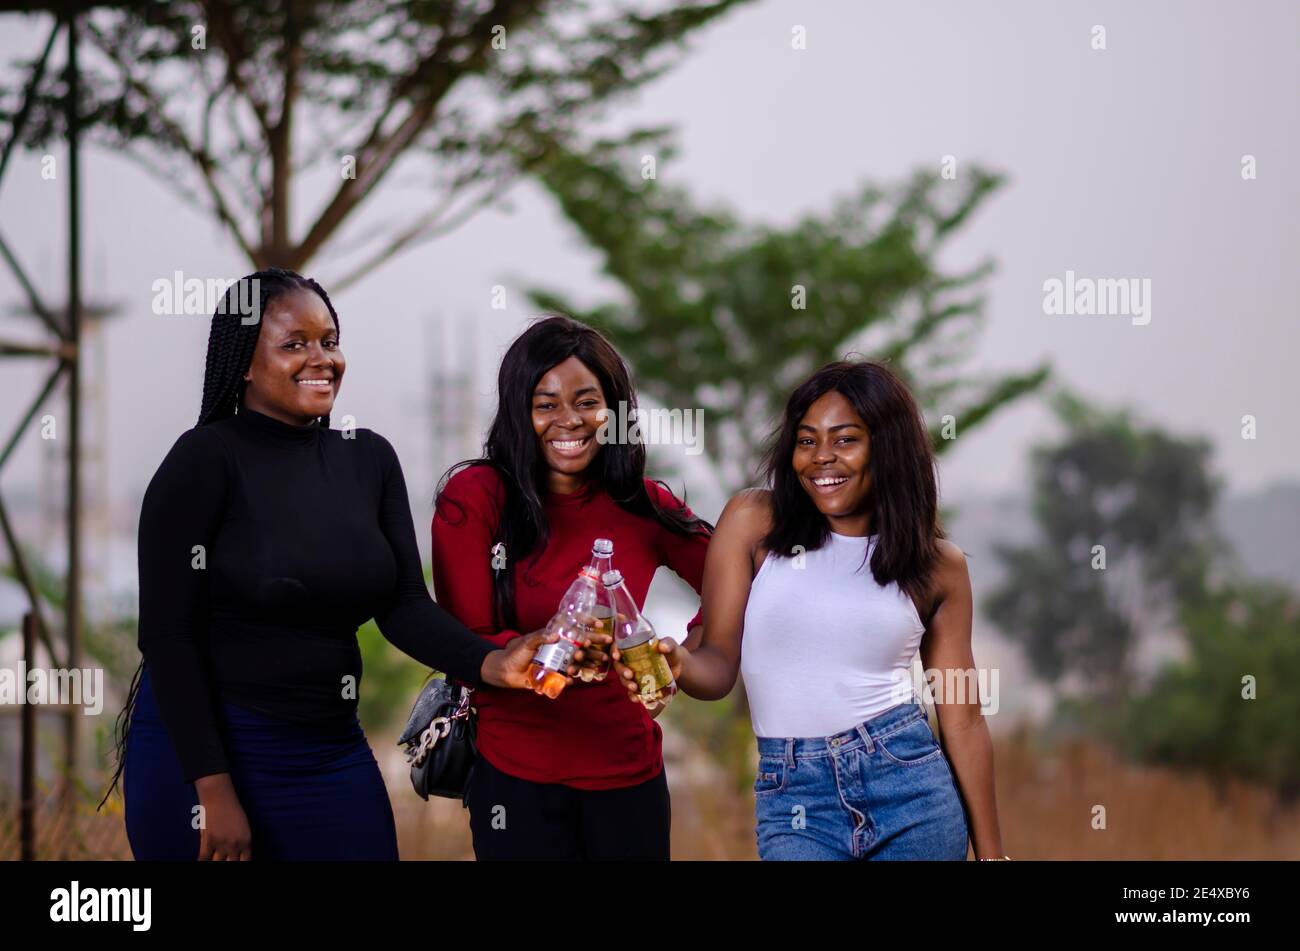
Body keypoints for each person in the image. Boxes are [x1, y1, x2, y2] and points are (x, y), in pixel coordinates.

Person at [107, 268, 555, 861]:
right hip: (205, 757)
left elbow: (402, 606)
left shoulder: (367, 459)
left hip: (328, 749)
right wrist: (212, 792)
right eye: (294, 344)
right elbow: (168, 638)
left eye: (329, 340)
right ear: (243, 361)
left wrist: (495, 664)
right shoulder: (203, 462)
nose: (321, 359)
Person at [617, 359, 1006, 860]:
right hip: (795, 795)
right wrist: (680, 663)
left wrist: (994, 855)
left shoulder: (937, 565)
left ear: (886, 448)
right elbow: (715, 666)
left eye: (845, 440)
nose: (822, 457)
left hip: (909, 785)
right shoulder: (754, 523)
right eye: (806, 440)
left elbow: (965, 719)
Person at [431, 315, 712, 860]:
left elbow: (738, 583)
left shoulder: (645, 505)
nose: (569, 420)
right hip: (515, 779)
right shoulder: (476, 496)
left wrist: (687, 656)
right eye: (546, 404)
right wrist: (542, 645)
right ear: (519, 411)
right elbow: (462, 640)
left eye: (587, 401)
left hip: (630, 778)